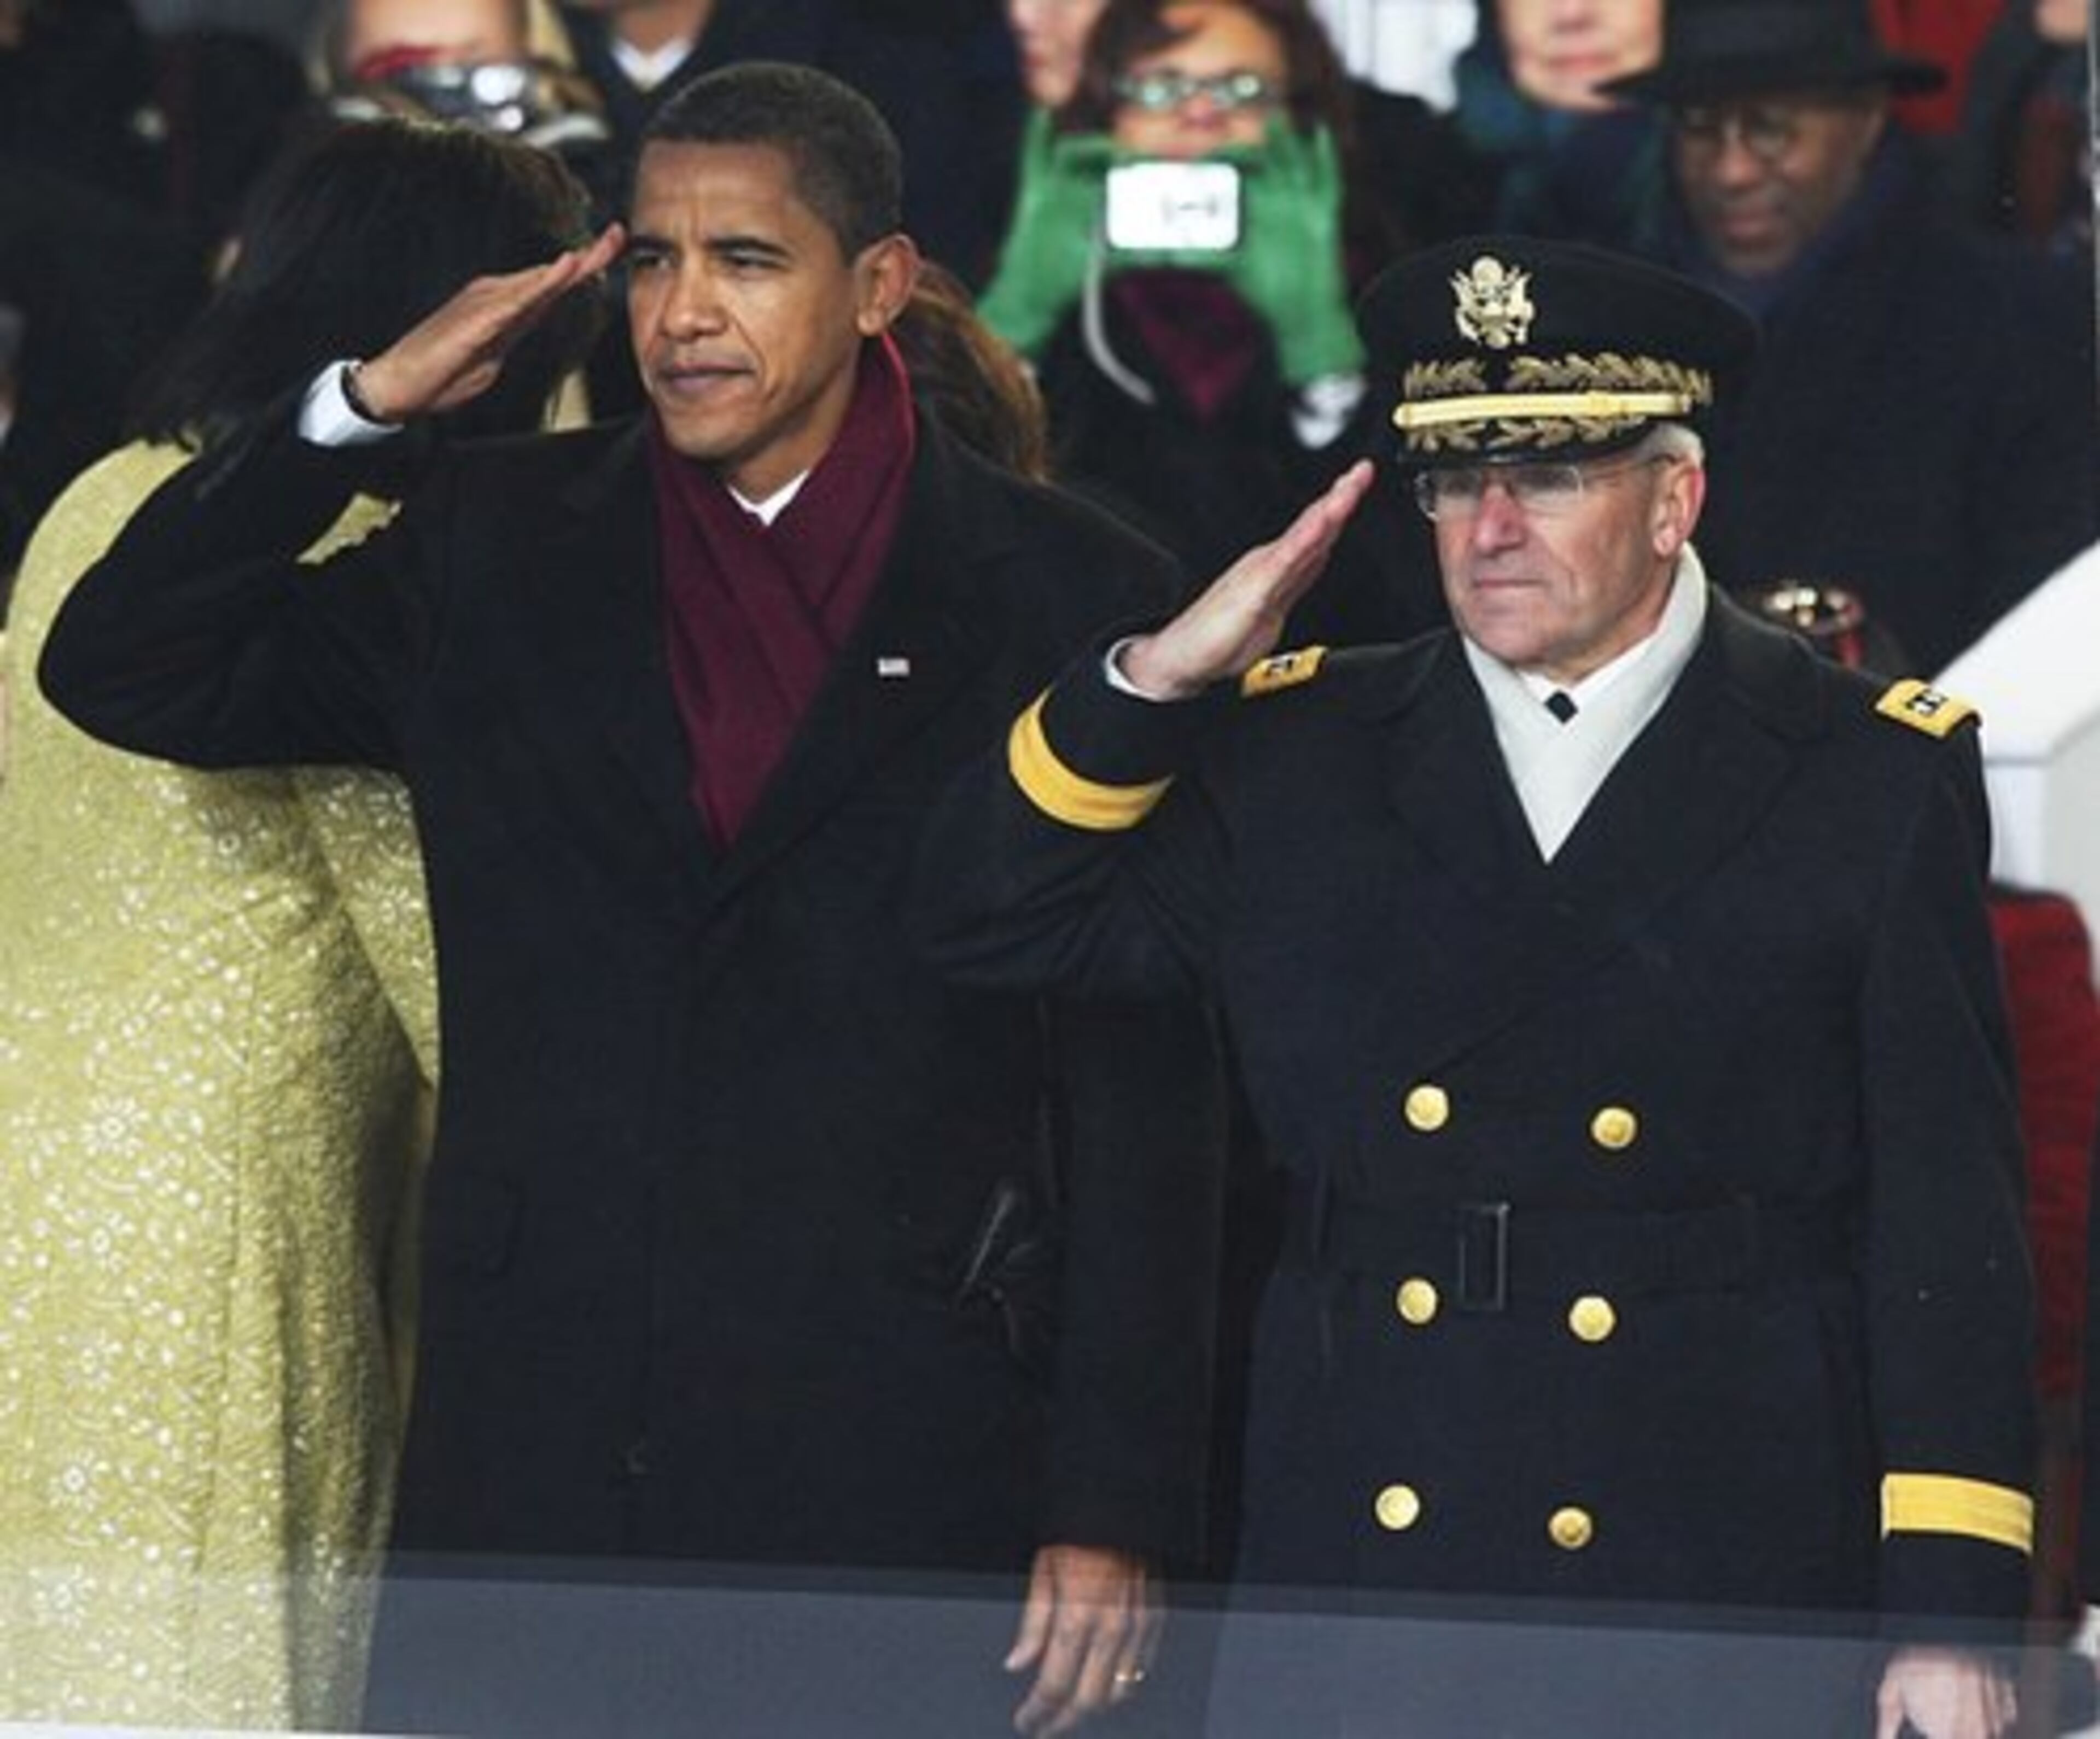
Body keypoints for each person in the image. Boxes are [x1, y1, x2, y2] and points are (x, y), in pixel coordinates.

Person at [39, 61, 1225, 1739]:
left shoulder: (1071, 588)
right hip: (543, 1439)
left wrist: (1114, 1494)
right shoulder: (491, 543)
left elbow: (1140, 1074)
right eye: (651, 260)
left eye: (744, 260)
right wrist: (355, 410)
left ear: (876, 285)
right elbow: (130, 668)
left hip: (901, 1441)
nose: (681, 314)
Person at [918, 234, 2038, 1737]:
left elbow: (1943, 1221)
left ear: (1675, 497)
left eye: (1553, 475)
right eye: (1455, 478)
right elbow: (986, 922)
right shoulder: (1299, 750)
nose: (1491, 526)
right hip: (1371, 1546)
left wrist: (1949, 1611)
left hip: (1714, 1545)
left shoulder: (1863, 770)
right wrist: (1157, 683)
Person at [0, 118, 598, 1731]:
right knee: (207, 1678)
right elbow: (429, 928)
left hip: (27, 1185)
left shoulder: (102, 497)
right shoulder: (341, 547)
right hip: (224, 1218)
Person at [1597, 0, 2100, 675]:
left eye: (1772, 131)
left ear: (1865, 120)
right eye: (1701, 129)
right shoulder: (1608, 328)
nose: (1733, 170)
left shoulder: (2015, 323)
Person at [980, 0, 1461, 646]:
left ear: (1299, 121)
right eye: (1159, 88)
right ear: (1105, 119)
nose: (1200, 115)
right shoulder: (1047, 267)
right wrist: (1014, 324)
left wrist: (1323, 360)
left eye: (1243, 90)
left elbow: (1413, 565)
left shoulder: (1393, 280)